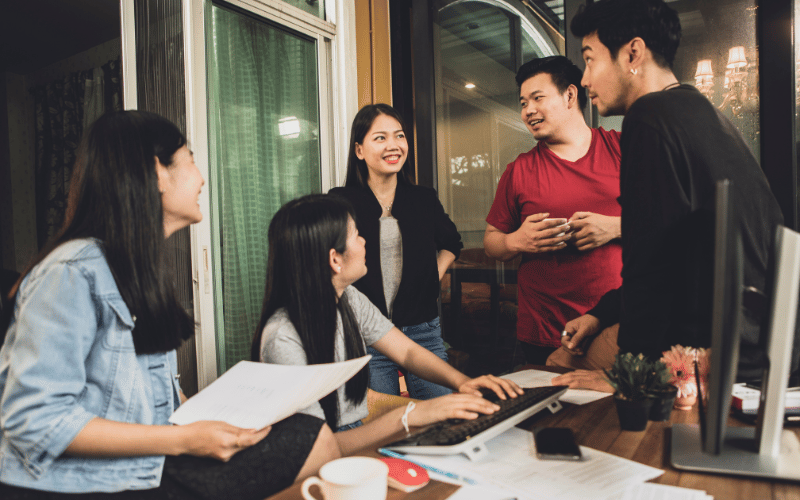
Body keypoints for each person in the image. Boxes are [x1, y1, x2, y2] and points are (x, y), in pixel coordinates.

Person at [0, 111, 340, 499]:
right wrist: (184, 440)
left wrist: (216, 417)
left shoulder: (133, 268)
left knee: (306, 434)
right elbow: (34, 419)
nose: (202, 178)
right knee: (313, 442)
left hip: (144, 465)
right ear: (157, 173)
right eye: (191, 160)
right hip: (79, 484)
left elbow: (147, 395)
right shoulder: (72, 271)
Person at [550, 0, 784, 391]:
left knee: (558, 363)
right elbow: (674, 249)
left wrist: (627, 379)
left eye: (590, 60)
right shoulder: (703, 113)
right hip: (760, 348)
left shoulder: (648, 117)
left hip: (714, 360)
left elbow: (650, 269)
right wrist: (602, 313)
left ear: (633, 53)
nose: (586, 79)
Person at [252, 194, 523, 455]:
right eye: (356, 234)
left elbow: (407, 351)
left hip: (356, 437)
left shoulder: (347, 298)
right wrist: (410, 416)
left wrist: (464, 383)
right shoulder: (283, 339)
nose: (364, 241)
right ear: (335, 259)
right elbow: (318, 450)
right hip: (328, 459)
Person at [483, 55, 623, 365]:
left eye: (537, 98)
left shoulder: (622, 149)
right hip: (544, 332)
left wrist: (615, 227)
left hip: (618, 325)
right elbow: (492, 238)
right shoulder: (519, 170)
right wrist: (516, 241)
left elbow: (667, 220)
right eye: (523, 103)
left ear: (570, 95)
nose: (527, 110)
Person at [329, 104, 463, 399]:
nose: (393, 145)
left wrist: (433, 276)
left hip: (422, 330)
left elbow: (452, 243)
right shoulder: (341, 201)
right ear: (359, 150)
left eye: (399, 136)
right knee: (381, 423)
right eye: (380, 138)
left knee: (442, 415)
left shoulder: (423, 198)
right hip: (366, 335)